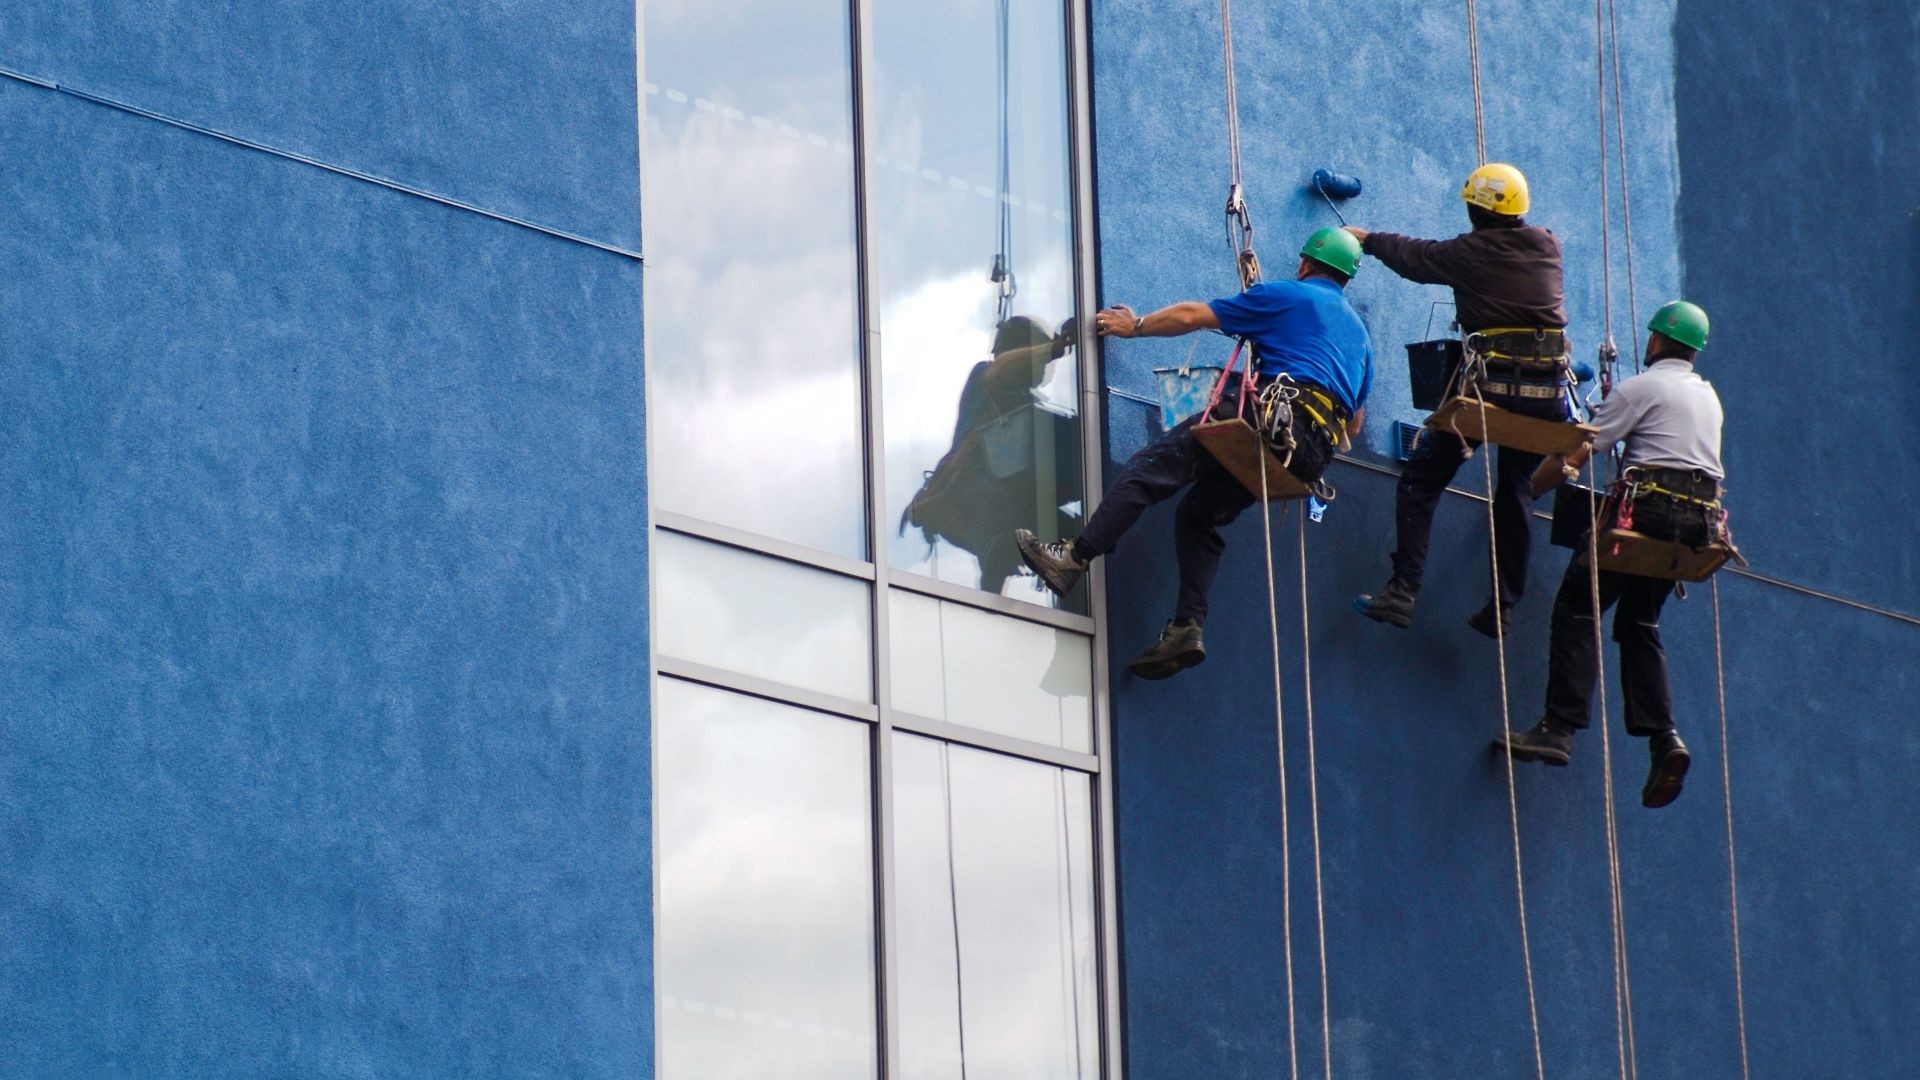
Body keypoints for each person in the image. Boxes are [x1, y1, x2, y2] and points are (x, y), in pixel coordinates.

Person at [1015, 228, 1374, 680]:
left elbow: (1192, 316)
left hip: (1271, 418)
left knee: (1148, 469)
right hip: (1305, 457)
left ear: (1305, 264)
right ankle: (1187, 626)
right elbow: (1355, 425)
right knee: (1199, 517)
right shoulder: (1361, 337)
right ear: (1346, 278)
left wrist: (1135, 325)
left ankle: (1073, 558)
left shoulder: (1289, 297)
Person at [1499, 301, 1722, 809]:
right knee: (1639, 623)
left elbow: (1576, 456)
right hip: (1694, 526)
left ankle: (1559, 728)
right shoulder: (1708, 397)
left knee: (1578, 605)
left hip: (1649, 512)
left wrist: (1523, 496)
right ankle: (1664, 737)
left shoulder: (1642, 388)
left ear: (1655, 341)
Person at [1347, 163, 1574, 638]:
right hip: (1547, 397)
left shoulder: (1471, 252)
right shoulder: (1547, 245)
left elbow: (1416, 257)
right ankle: (1503, 606)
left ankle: (1403, 590)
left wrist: (1365, 238)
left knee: (1422, 480)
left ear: (1477, 209)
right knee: (1516, 492)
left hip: (1490, 392)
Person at [899, 315, 1082, 594]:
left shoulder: (1027, 405)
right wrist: (1053, 349)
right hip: (968, 494)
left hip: (1015, 507)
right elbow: (1000, 372)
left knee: (1080, 539)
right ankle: (995, 563)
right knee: (998, 504)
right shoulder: (984, 376)